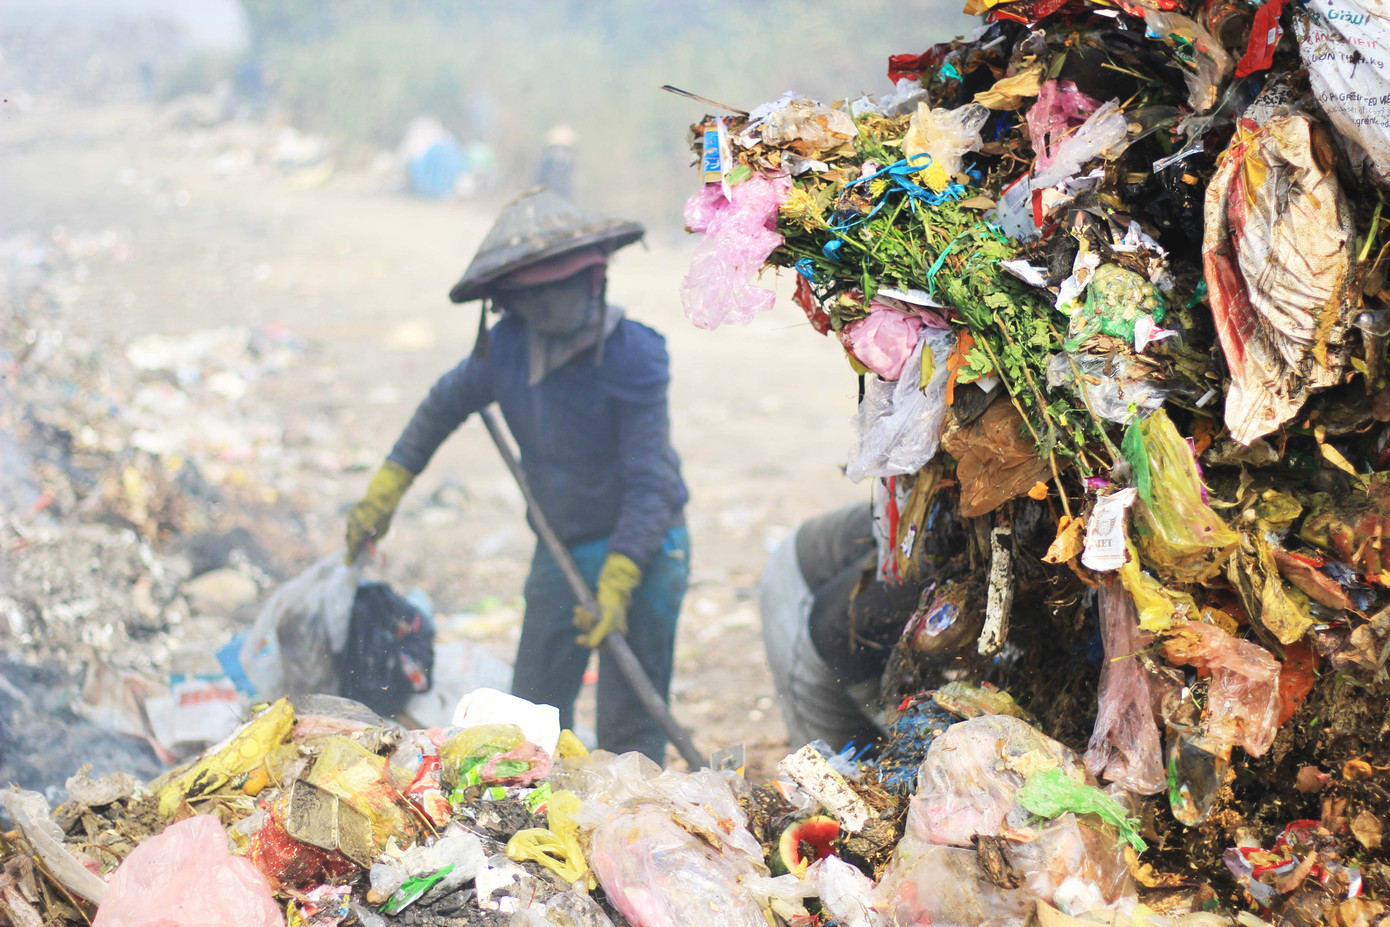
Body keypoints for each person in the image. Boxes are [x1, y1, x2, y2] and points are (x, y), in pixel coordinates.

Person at [345, 190, 689, 764]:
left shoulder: (635, 354)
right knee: (535, 708)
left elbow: (651, 483)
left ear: (595, 280)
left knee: (630, 720)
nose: (560, 304)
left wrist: (620, 577)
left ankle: (633, 817)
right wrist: (387, 490)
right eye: (542, 294)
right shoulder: (503, 353)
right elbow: (439, 410)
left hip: (647, 547)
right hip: (561, 545)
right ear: (514, 302)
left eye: (569, 285)